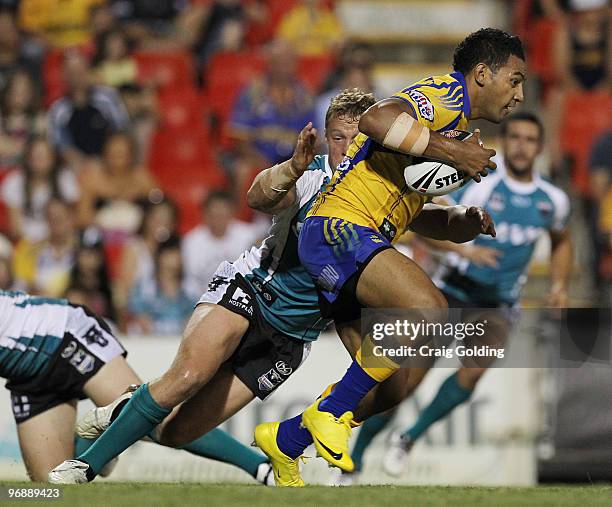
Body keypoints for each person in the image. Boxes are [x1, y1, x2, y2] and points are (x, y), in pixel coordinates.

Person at [47, 88, 376, 485]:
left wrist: (465, 219)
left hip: (291, 338)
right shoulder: (310, 175)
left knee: (177, 432)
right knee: (186, 377)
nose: (346, 147)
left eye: (357, 138)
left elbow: (427, 218)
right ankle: (84, 468)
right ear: (325, 137)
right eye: (337, 137)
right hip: (251, 291)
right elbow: (259, 196)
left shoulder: (381, 197)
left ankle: (128, 406)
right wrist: (291, 166)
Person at [261, 27, 525, 477]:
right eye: (515, 79)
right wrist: (453, 153)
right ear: (482, 73)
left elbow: (415, 211)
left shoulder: (454, 131)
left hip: (350, 242)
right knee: (430, 310)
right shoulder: (446, 94)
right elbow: (376, 120)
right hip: (338, 226)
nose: (520, 94)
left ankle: (287, 440)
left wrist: (460, 221)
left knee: (390, 387)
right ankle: (328, 414)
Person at [339, 112, 572, 482]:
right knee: (402, 385)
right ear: (505, 142)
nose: (522, 146)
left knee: (472, 373)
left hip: (497, 304)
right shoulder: (477, 185)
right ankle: (354, 461)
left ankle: (408, 439)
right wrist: (464, 252)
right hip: (452, 290)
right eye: (515, 137)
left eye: (530, 139)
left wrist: (559, 284)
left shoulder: (553, 201)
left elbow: (561, 241)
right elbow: (421, 221)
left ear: (540, 147)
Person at [0, 289, 275, 484]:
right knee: (52, 489)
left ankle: (261, 468)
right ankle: (92, 438)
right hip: (28, 375)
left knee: (154, 422)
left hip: (62, 335)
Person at [48, 52, 130, 171]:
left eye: (80, 72)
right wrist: (84, 165)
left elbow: (121, 130)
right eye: (72, 73)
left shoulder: (107, 97)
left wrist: (108, 160)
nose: (77, 77)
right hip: (78, 167)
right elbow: (62, 147)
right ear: (64, 76)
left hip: (110, 160)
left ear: (88, 72)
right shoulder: (58, 109)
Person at [182, 189, 264, 299]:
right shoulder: (191, 242)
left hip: (242, 301)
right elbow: (190, 281)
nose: (219, 219)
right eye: (214, 214)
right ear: (205, 214)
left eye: (223, 214)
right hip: (203, 301)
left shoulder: (249, 236)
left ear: (232, 213)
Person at [1, 137, 79, 242]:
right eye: (36, 156)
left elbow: (71, 219)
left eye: (44, 156)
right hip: (26, 241)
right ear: (28, 158)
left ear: (52, 158)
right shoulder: (14, 181)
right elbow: (15, 228)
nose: (40, 161)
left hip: (58, 238)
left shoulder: (65, 179)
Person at [129, 236, 193, 336]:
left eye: (178, 252)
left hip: (181, 340)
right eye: (171, 252)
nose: (176, 257)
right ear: (159, 256)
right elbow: (139, 316)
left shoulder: (190, 287)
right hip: (150, 342)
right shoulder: (145, 287)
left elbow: (193, 318)